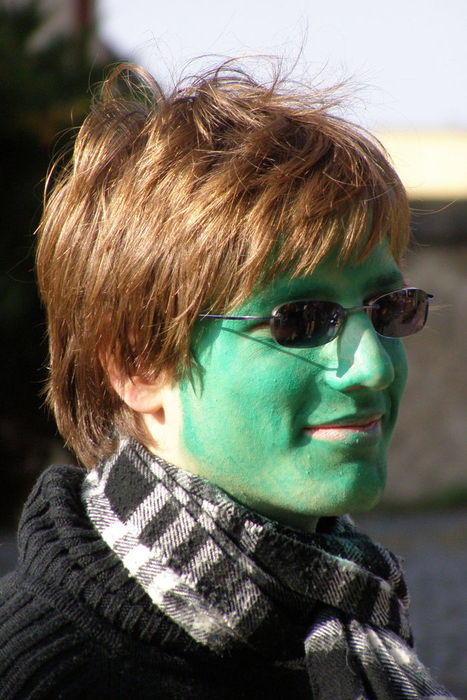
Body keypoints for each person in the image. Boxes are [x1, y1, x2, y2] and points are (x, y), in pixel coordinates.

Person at [0, 61, 456, 699]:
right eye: (301, 320)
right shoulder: (52, 676)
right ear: (139, 366)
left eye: (387, 308)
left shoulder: (341, 623)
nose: (373, 366)